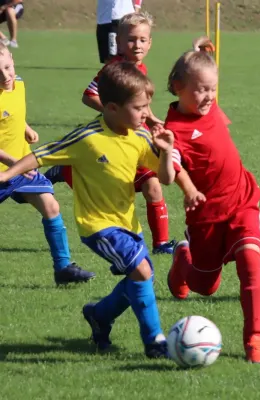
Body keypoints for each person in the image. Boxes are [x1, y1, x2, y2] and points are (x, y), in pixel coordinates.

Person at [0, 62, 176, 357]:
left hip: (128, 224)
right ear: (111, 108)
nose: (146, 113)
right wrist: (6, 174)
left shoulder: (141, 136)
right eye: (139, 107)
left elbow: (167, 178)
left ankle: (100, 315)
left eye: (147, 106)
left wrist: (167, 151)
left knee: (141, 277)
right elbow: (41, 156)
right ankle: (154, 342)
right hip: (97, 226)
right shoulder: (86, 138)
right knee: (142, 271)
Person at [163, 50, 260, 363]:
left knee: (250, 262)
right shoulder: (173, 130)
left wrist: (200, 51)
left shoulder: (209, 106)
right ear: (178, 86)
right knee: (206, 286)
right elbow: (170, 173)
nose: (208, 96)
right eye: (200, 89)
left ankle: (255, 339)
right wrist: (189, 187)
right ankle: (183, 259)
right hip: (206, 215)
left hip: (242, 199)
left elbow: (199, 69)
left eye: (212, 89)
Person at [46, 11, 175, 255]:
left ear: (150, 42)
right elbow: (89, 95)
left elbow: (138, 101)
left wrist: (154, 118)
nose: (137, 45)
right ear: (119, 40)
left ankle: (161, 244)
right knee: (111, 186)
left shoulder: (140, 67)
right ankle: (65, 169)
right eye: (131, 39)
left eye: (142, 40)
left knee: (153, 187)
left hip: (135, 140)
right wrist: (115, 113)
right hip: (113, 139)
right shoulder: (113, 69)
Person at [0, 42, 94, 285]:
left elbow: (12, 113)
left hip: (22, 168)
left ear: (12, 59)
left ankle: (63, 268)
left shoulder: (18, 83)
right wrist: (16, 162)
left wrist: (26, 128)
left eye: (8, 67)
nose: (6, 76)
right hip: (8, 168)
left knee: (50, 206)